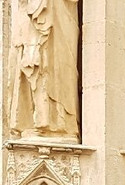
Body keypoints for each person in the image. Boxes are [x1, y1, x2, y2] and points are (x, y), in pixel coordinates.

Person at [10, 0, 80, 140]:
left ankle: (59, 123)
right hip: (31, 13)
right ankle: (39, 120)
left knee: (58, 63)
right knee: (34, 61)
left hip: (59, 15)